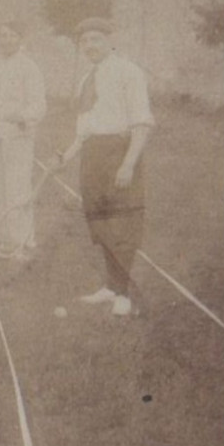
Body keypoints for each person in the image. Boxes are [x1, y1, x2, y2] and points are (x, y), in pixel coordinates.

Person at [51, 16, 154, 317]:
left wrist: (128, 164)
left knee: (122, 224)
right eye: (84, 42)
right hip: (92, 157)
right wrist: (66, 157)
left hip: (119, 153)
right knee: (101, 223)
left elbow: (142, 123)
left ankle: (124, 295)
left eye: (96, 39)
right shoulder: (87, 80)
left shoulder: (129, 72)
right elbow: (85, 130)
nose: (90, 46)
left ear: (110, 40)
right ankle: (112, 287)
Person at [0, 22, 47, 256]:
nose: (6, 40)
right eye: (2, 35)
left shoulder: (29, 67)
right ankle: (5, 234)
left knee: (17, 187)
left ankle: (23, 240)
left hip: (18, 136)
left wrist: (22, 116)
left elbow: (39, 104)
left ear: (20, 38)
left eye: (11, 36)